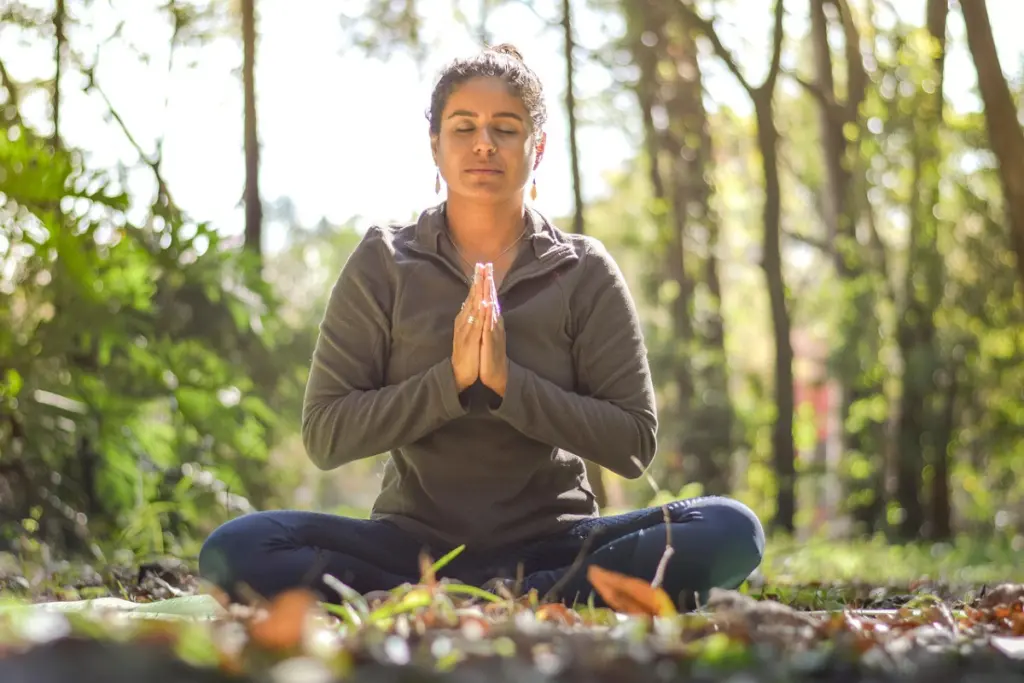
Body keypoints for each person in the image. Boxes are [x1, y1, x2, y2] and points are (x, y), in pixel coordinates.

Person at [198, 43, 764, 611]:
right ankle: (470, 595)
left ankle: (489, 596)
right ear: (436, 147)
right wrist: (450, 384)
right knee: (237, 547)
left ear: (536, 148)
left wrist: (507, 386)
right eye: (463, 126)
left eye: (506, 128)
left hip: (556, 544)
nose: (484, 144)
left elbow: (634, 443)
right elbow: (325, 434)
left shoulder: (583, 270)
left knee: (729, 527)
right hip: (408, 544)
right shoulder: (384, 262)